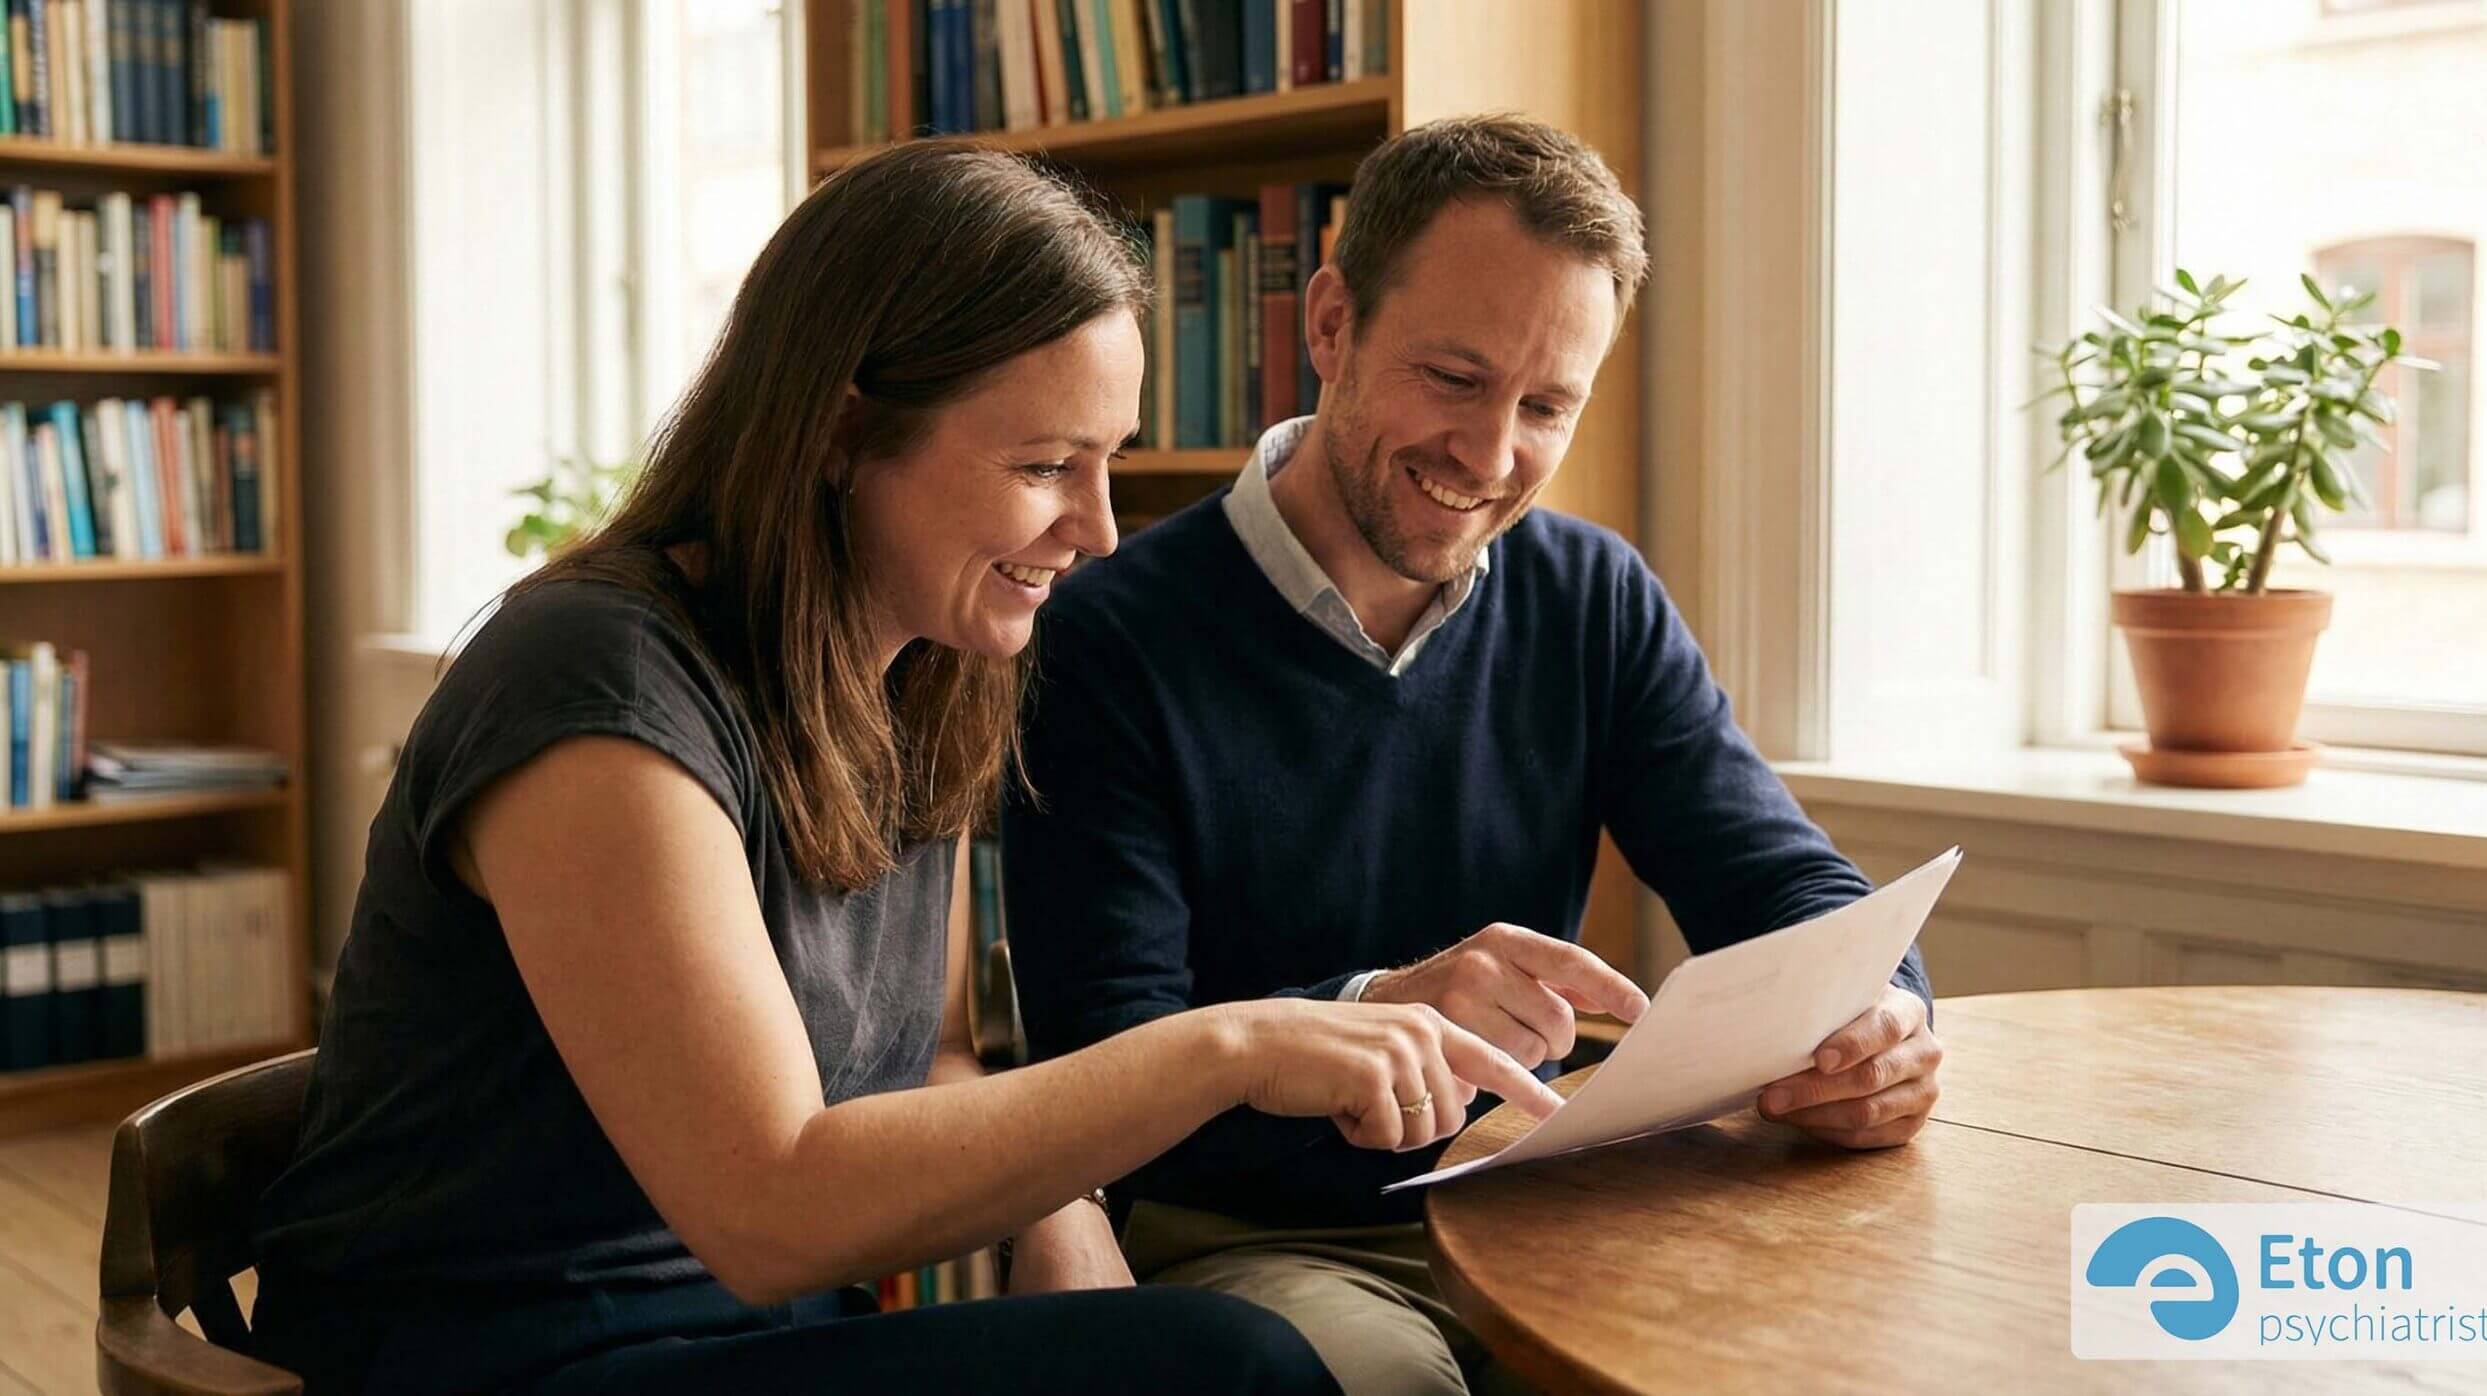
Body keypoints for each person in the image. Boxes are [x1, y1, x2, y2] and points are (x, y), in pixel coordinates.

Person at [245, 142, 1562, 1396]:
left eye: (1106, 463)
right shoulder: (595, 684)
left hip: (735, 1336)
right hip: (499, 1359)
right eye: (1046, 465)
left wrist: (1060, 1208)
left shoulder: (919, 670)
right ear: (840, 433)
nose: (1099, 531)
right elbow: (769, 1203)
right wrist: (1231, 1047)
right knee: (1245, 1369)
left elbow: (921, 1057)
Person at [1001, 115, 1943, 1395]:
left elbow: (1787, 883)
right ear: (1330, 324)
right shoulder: (1104, 634)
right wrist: (1364, 1012)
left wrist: (1881, 1015)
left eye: (1545, 404)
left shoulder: (1591, 595)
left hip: (1548, 1210)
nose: (1490, 456)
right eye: (1452, 378)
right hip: (1258, 1242)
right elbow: (1100, 1057)